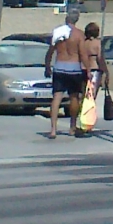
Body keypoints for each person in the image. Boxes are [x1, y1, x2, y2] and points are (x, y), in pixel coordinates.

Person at [45, 8, 86, 139]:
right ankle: (72, 127)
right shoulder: (79, 34)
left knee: (57, 97)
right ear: (77, 19)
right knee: (74, 97)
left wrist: (47, 66)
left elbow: (50, 51)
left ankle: (53, 129)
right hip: (74, 68)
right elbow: (82, 53)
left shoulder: (58, 32)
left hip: (59, 66)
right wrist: (88, 69)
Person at [76, 22, 109, 136]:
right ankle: (87, 124)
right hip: (94, 70)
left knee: (82, 97)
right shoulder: (97, 43)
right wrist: (106, 72)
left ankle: (79, 122)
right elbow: (100, 58)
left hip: (82, 69)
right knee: (91, 98)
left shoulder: (83, 43)